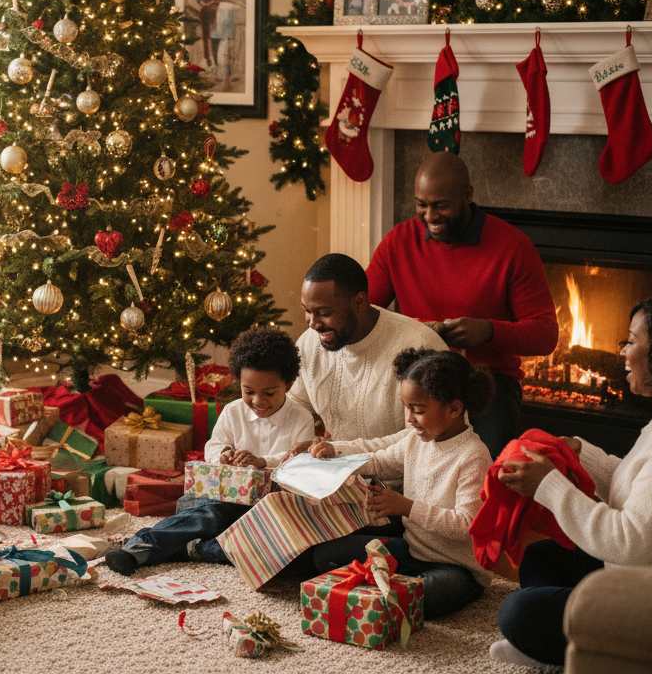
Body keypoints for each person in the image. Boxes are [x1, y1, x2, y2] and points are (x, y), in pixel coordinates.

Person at [491, 292, 652, 668]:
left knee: (517, 611)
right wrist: (578, 451)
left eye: (632, 341)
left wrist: (550, 486)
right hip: (644, 576)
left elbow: (629, 540)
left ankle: (558, 639)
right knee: (539, 556)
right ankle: (558, 639)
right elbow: (639, 484)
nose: (621, 351)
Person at [366, 151, 558, 458]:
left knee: (487, 468)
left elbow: (546, 334)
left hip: (487, 383)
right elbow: (365, 311)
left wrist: (488, 330)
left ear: (467, 195)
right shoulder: (398, 242)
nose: (430, 216)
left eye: (441, 205)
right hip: (417, 379)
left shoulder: (513, 247)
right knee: (392, 457)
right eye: (421, 205)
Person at [104, 327, 313, 573]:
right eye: (249, 392)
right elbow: (213, 446)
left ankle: (194, 549)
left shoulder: (301, 418)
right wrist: (223, 453)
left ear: (288, 385)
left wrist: (262, 461)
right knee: (208, 515)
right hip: (224, 501)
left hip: (271, 511)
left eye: (269, 393)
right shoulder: (233, 411)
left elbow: (299, 461)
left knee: (277, 549)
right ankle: (139, 547)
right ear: (240, 383)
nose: (258, 401)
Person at [307, 348, 495, 618]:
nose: (409, 418)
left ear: (454, 408)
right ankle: (391, 588)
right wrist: (336, 453)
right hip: (411, 550)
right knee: (324, 557)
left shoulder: (473, 456)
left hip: (455, 567)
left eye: (417, 410)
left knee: (427, 595)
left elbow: (467, 525)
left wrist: (407, 507)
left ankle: (394, 589)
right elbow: (379, 462)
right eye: (406, 407)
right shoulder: (415, 440)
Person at [285, 253, 447, 463]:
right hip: (335, 477)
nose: (312, 324)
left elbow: (427, 436)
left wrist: (341, 450)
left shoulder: (419, 345)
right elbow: (292, 408)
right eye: (307, 311)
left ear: (359, 301)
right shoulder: (309, 343)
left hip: (404, 485)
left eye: (323, 312)